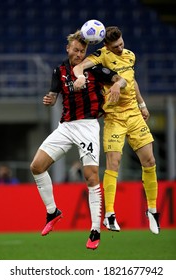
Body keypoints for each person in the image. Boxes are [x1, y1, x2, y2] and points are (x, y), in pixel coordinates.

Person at [30, 30, 126, 250]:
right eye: (76, 50)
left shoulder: (93, 68)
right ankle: (53, 212)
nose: (79, 54)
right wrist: (49, 99)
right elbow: (53, 96)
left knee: (90, 176)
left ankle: (94, 230)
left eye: (82, 51)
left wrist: (117, 86)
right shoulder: (59, 71)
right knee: (36, 166)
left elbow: (120, 80)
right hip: (65, 126)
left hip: (88, 126)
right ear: (68, 48)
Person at [73, 26, 160, 235]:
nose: (121, 48)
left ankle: (152, 210)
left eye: (121, 44)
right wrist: (80, 76)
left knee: (149, 161)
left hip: (134, 114)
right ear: (106, 45)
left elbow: (132, 81)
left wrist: (142, 104)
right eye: (116, 46)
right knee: (114, 163)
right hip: (114, 117)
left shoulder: (130, 55)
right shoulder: (101, 56)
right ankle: (110, 214)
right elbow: (79, 66)